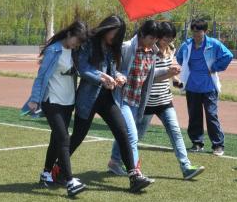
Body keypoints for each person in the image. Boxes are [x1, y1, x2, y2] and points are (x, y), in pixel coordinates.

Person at [67, 15, 154, 193]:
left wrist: (119, 76)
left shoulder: (112, 47)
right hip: (88, 98)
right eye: (113, 33)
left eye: (118, 35)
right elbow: (83, 68)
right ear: (106, 28)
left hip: (108, 98)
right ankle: (57, 168)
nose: (114, 37)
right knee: (78, 136)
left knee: (123, 132)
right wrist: (102, 77)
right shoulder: (89, 43)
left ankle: (134, 176)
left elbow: (114, 70)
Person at [26, 20, 88, 197]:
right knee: (64, 139)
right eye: (76, 40)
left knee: (56, 139)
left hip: (68, 101)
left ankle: (46, 173)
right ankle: (70, 181)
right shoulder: (53, 50)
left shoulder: (76, 51)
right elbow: (41, 76)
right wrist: (34, 99)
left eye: (80, 42)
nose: (77, 44)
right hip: (52, 101)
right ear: (69, 34)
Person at [139, 21, 205, 180]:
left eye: (171, 38)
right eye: (165, 38)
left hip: (165, 100)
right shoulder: (149, 51)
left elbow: (169, 71)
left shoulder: (171, 49)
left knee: (175, 131)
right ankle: (116, 160)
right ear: (158, 37)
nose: (168, 41)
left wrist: (175, 80)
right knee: (136, 135)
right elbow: (148, 78)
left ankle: (186, 167)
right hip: (148, 101)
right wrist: (169, 74)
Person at [106, 19, 160, 176]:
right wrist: (118, 75)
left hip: (136, 100)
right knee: (132, 136)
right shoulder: (127, 48)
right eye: (151, 38)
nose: (153, 42)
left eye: (156, 39)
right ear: (142, 34)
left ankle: (114, 162)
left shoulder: (152, 52)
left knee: (124, 133)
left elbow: (148, 75)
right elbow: (111, 68)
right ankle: (136, 173)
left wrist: (168, 72)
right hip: (122, 98)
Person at [176, 19, 233, 156]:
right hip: (192, 86)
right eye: (194, 31)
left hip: (209, 87)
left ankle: (218, 145)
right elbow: (179, 58)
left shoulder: (213, 44)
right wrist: (187, 69)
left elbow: (228, 56)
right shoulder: (187, 45)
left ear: (205, 31)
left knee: (211, 115)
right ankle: (197, 143)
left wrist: (214, 67)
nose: (196, 34)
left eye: (199, 31)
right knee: (194, 116)